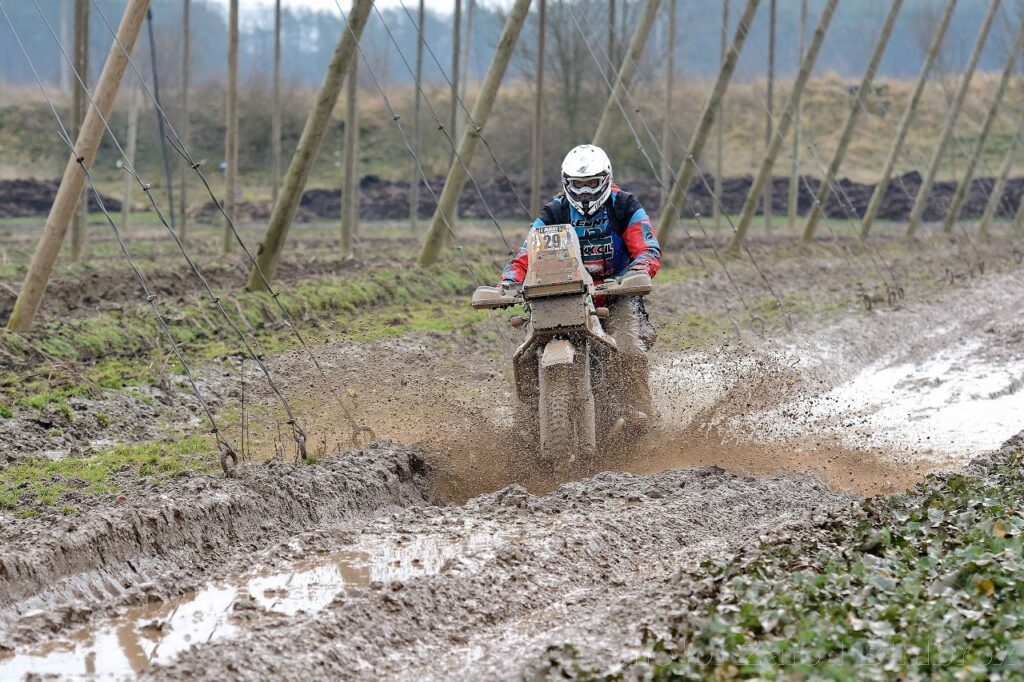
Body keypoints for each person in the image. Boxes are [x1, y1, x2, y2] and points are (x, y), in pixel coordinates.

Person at [498, 144, 661, 418]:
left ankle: (640, 417)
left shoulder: (624, 206)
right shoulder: (554, 212)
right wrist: (509, 282)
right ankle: (527, 417)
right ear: (566, 183)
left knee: (630, 351)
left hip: (615, 294)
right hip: (561, 295)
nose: (584, 191)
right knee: (525, 355)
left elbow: (647, 248)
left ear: (606, 180)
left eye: (591, 184)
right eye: (578, 184)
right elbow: (527, 254)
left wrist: (637, 272)